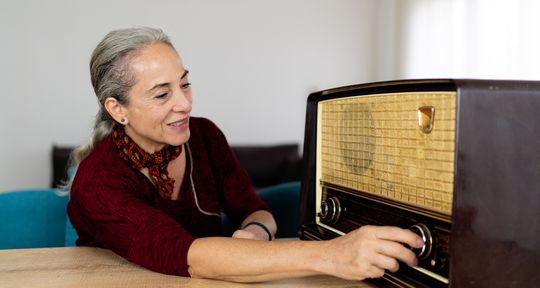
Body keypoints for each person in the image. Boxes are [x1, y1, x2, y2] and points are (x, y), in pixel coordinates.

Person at [67, 26, 424, 283]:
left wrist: (256, 233)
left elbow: (256, 210)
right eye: (162, 95)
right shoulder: (98, 181)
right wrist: (335, 254)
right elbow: (188, 256)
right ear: (117, 109)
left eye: (185, 83)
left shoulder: (204, 136)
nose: (185, 103)